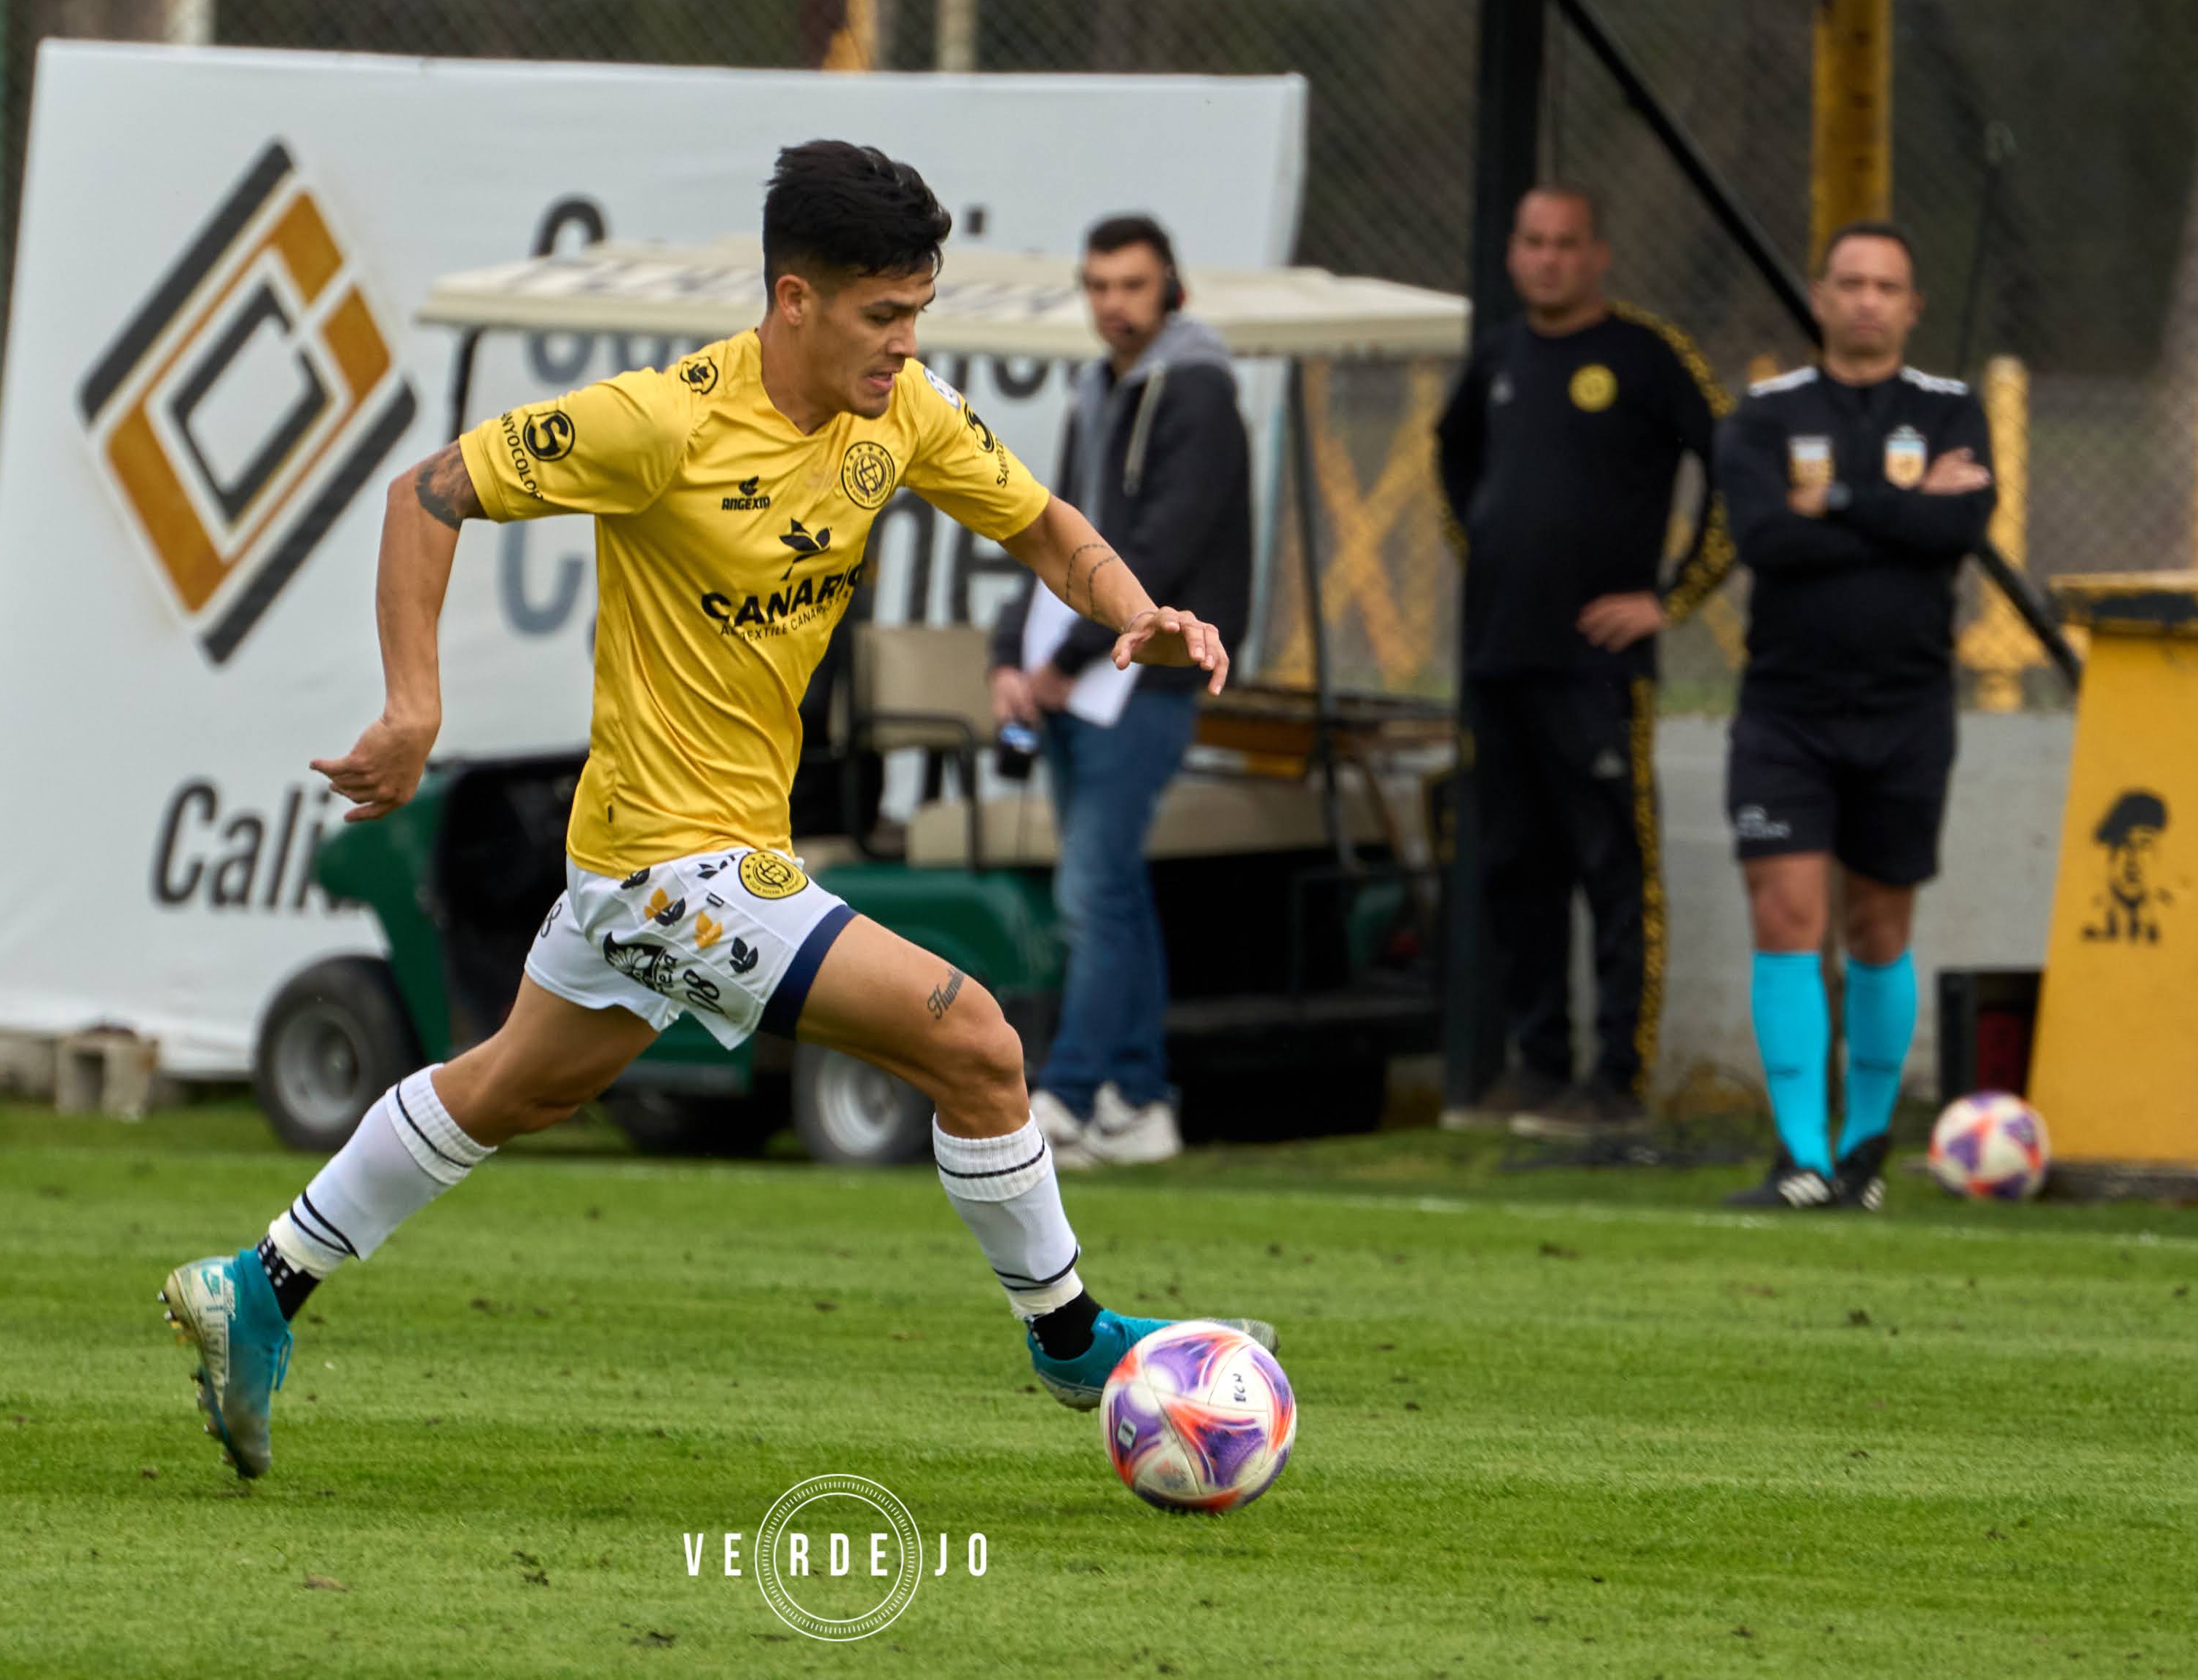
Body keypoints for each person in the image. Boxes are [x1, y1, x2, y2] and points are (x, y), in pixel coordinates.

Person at [158, 141, 1272, 1479]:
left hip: (699, 853)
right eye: (883, 315)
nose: (907, 344)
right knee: (975, 1040)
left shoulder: (902, 412)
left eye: (919, 313)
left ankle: (256, 1287)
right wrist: (413, 707)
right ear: (795, 299)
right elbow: (428, 492)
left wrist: (1134, 608)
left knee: (509, 1088)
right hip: (664, 866)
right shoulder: (661, 423)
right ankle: (1073, 1341)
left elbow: (1041, 525)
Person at [1434, 185, 1734, 1138]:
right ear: (1513, 254)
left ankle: (1617, 1079)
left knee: (1614, 867)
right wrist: (1490, 556)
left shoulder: (1647, 355)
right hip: (1499, 659)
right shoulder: (1497, 359)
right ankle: (1539, 1066)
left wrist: (1670, 599)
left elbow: (1736, 466)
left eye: (1567, 243)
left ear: (1599, 254)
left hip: (1599, 670)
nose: (1548, 258)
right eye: (1533, 241)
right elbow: (1453, 463)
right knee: (1515, 868)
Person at [1716, 221, 1993, 1212]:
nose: (1868, 299)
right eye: (1851, 282)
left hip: (1906, 710)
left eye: (1887, 286)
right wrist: (1894, 517)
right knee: (1786, 914)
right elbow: (1764, 539)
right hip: (1786, 712)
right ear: (1820, 296)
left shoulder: (1951, 409)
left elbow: (1956, 528)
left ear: (1913, 306)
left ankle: (1863, 1155)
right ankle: (1801, 1157)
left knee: (1879, 926)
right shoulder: (1765, 413)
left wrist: (1832, 499)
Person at [986, 215, 1251, 1169]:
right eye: (1098, 286)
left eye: (1132, 285)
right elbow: (1056, 531)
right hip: (1076, 677)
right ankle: (1137, 1100)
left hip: (1143, 677)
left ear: (1172, 289)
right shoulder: (1098, 387)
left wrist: (1069, 655)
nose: (1114, 305)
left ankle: (1067, 1092)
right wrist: (1012, 652)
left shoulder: (1199, 388)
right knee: (1113, 895)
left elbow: (1163, 546)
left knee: (1092, 891)